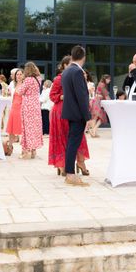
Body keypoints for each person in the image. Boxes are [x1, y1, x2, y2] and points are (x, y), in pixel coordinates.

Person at [48, 56, 90, 176]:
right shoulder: (59, 79)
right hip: (60, 111)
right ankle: (62, 165)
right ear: (65, 65)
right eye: (71, 63)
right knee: (62, 138)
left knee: (79, 137)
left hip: (74, 110)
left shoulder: (78, 75)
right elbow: (52, 96)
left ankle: (81, 162)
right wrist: (62, 96)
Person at [61, 46, 92, 186]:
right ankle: (70, 174)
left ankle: (69, 172)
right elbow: (81, 97)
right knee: (73, 144)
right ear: (83, 57)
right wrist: (88, 117)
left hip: (70, 111)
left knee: (71, 143)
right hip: (77, 113)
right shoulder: (77, 72)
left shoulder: (67, 71)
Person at [18, 62, 44, 159]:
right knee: (35, 128)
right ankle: (34, 151)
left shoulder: (28, 80)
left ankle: (26, 151)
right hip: (36, 105)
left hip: (28, 105)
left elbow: (20, 92)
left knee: (27, 128)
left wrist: (20, 83)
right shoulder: (39, 79)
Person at [6, 68, 24, 152]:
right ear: (15, 76)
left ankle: (24, 149)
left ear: (23, 75)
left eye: (20, 74)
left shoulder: (25, 85)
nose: (19, 76)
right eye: (17, 74)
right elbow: (10, 94)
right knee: (11, 128)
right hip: (13, 107)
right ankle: (10, 147)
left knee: (22, 128)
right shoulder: (13, 84)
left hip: (22, 108)